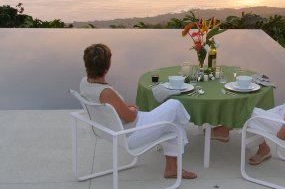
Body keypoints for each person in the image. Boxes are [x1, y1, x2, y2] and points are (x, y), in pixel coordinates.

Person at [79, 43, 197, 179]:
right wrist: (133, 110)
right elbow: (130, 117)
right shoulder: (106, 92)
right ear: (107, 65)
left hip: (112, 128)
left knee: (174, 122)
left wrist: (125, 108)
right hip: (130, 133)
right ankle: (187, 124)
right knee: (175, 105)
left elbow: (111, 107)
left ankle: (172, 168)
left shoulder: (85, 83)